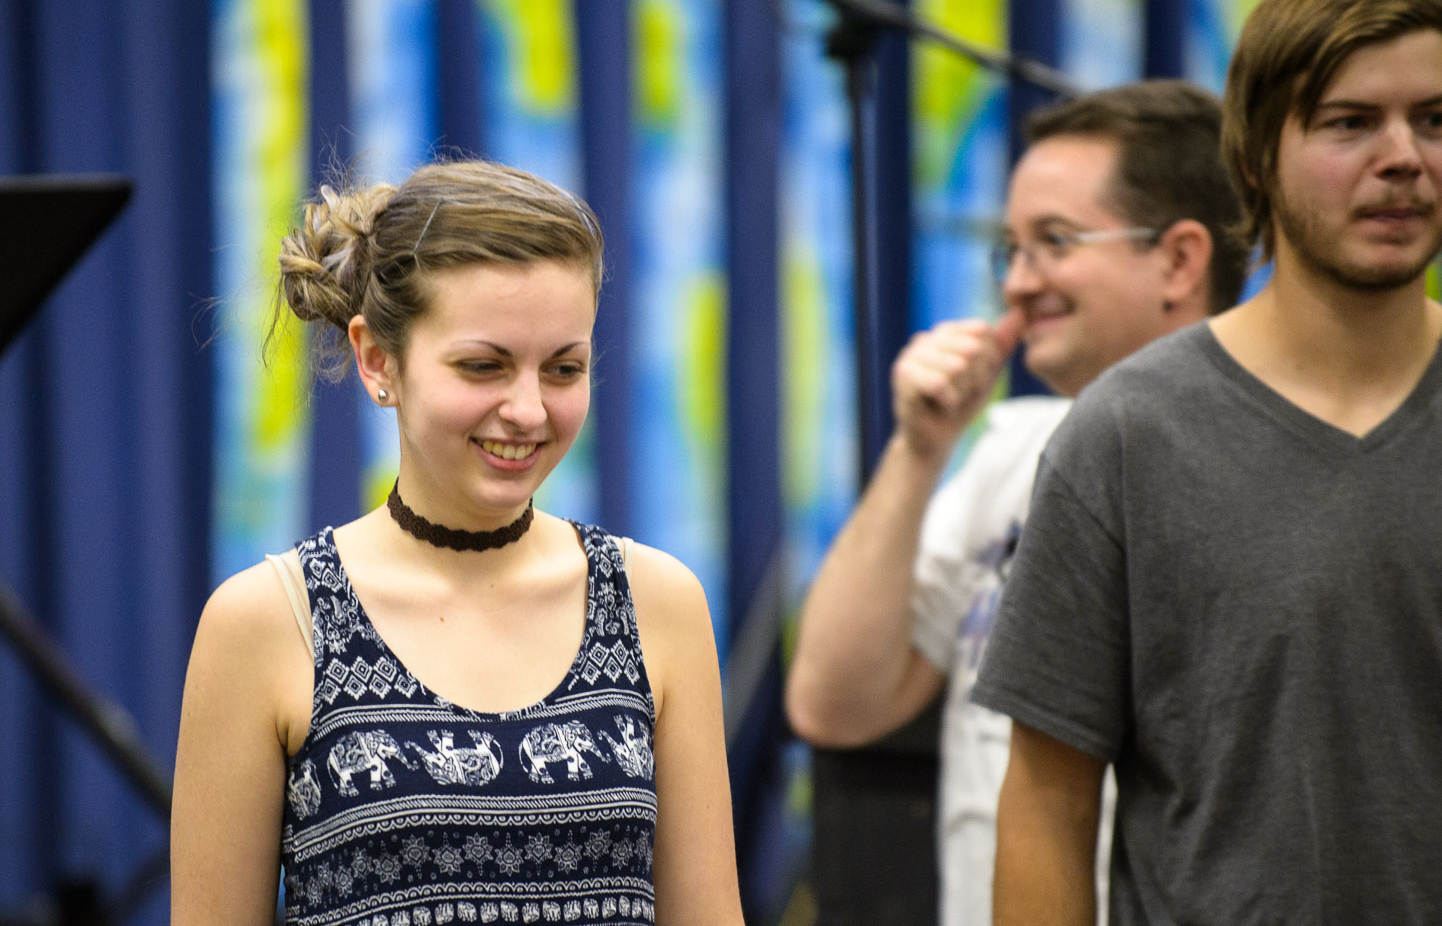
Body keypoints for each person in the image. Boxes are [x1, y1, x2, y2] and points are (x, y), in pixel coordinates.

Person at [972, 0, 1442, 923]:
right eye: (1350, 123)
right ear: (1256, 158)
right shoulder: (1129, 433)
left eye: (1433, 120)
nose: (1403, 157)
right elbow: (1047, 805)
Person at [171, 160, 744, 926]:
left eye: (564, 369)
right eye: (483, 366)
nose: (529, 410)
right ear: (378, 359)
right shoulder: (271, 621)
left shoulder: (656, 603)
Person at [785, 80, 1247, 926]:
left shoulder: (1255, 466)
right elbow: (833, 704)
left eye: (1054, 242)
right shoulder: (1010, 449)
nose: (1020, 284)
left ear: (1180, 261)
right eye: (1012, 250)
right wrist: (919, 450)